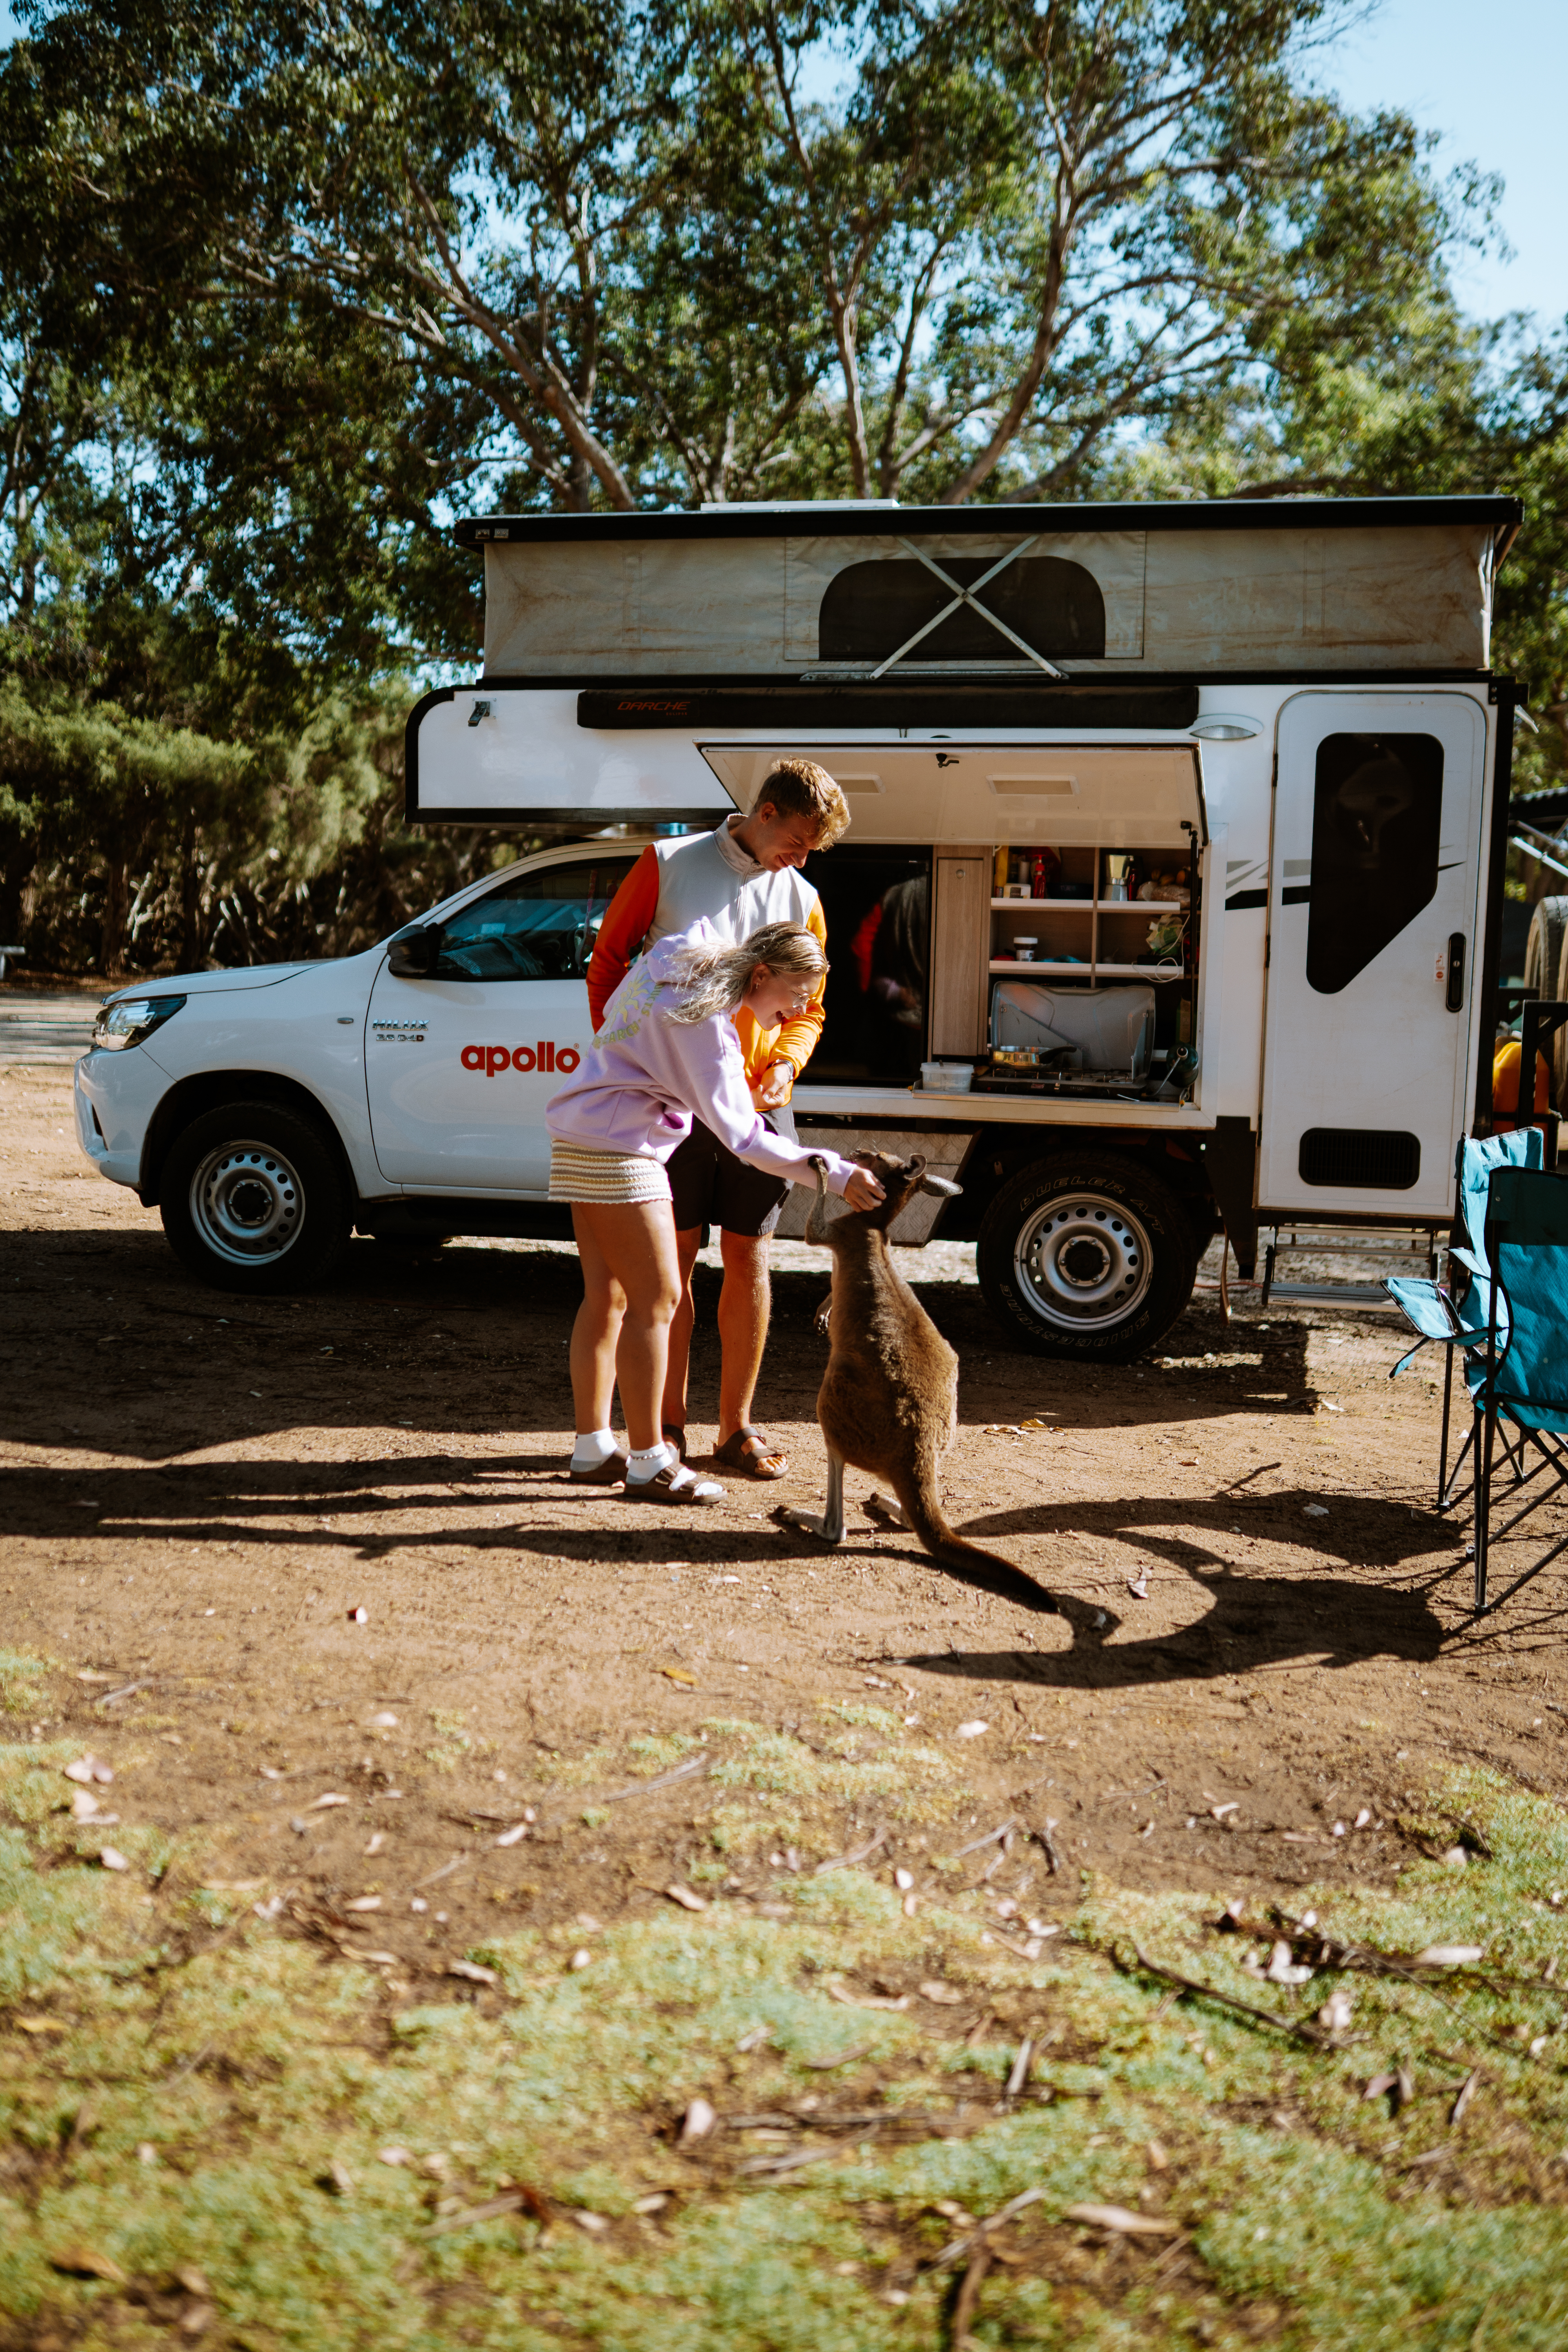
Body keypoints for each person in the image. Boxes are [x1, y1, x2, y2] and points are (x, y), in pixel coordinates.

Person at [547, 922, 884, 1504]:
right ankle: (651, 1460)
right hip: (622, 1148)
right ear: (761, 975)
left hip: (580, 1134)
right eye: (797, 994)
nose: (800, 1008)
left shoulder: (680, 962)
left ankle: (593, 1447)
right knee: (658, 1299)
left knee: (608, 1297)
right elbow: (744, 1138)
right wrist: (836, 1172)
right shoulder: (707, 1025)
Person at [586, 758, 849, 1479]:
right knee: (670, 1263)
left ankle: (735, 1430)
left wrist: (787, 1066)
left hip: (758, 1103)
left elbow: (813, 1007)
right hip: (671, 1101)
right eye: (797, 840)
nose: (802, 858)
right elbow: (607, 964)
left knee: (750, 1257)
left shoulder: (802, 894)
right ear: (764, 812)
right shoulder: (668, 862)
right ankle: (665, 1426)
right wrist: (627, 1059)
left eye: (810, 850)